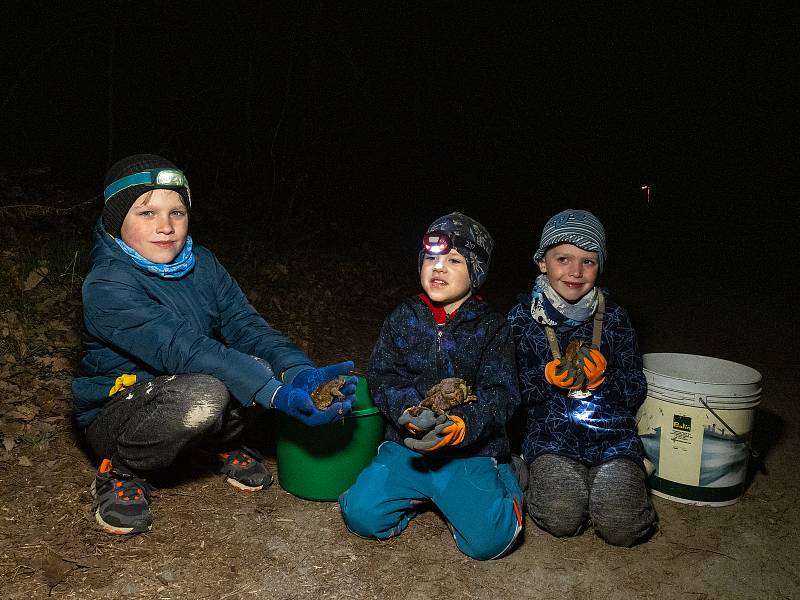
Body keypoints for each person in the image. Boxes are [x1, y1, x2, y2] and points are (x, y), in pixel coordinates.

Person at [72, 154, 356, 535]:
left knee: (256, 364)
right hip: (121, 412)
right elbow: (183, 348)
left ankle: (218, 442)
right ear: (116, 220)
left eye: (177, 212)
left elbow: (247, 326)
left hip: (188, 383)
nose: (166, 227)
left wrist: (297, 371)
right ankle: (122, 471)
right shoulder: (107, 284)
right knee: (209, 392)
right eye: (146, 213)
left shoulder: (202, 263)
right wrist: (273, 394)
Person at [339, 212, 524, 561]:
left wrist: (462, 426)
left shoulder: (493, 328)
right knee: (360, 515)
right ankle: (414, 494)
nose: (438, 267)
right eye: (431, 258)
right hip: (407, 449)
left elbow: (502, 394)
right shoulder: (402, 317)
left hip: (470, 452)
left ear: (477, 272)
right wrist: (408, 412)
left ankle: (509, 475)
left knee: (489, 543)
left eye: (454, 260)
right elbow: (383, 375)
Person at [507, 208, 657, 547]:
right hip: (550, 439)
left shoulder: (615, 316)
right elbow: (506, 388)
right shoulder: (520, 318)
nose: (575, 271)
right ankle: (535, 472)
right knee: (560, 518)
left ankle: (627, 475)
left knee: (624, 527)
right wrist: (544, 377)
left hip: (612, 439)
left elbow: (636, 384)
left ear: (599, 265)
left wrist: (606, 379)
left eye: (588, 261)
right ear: (543, 262)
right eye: (563, 259)